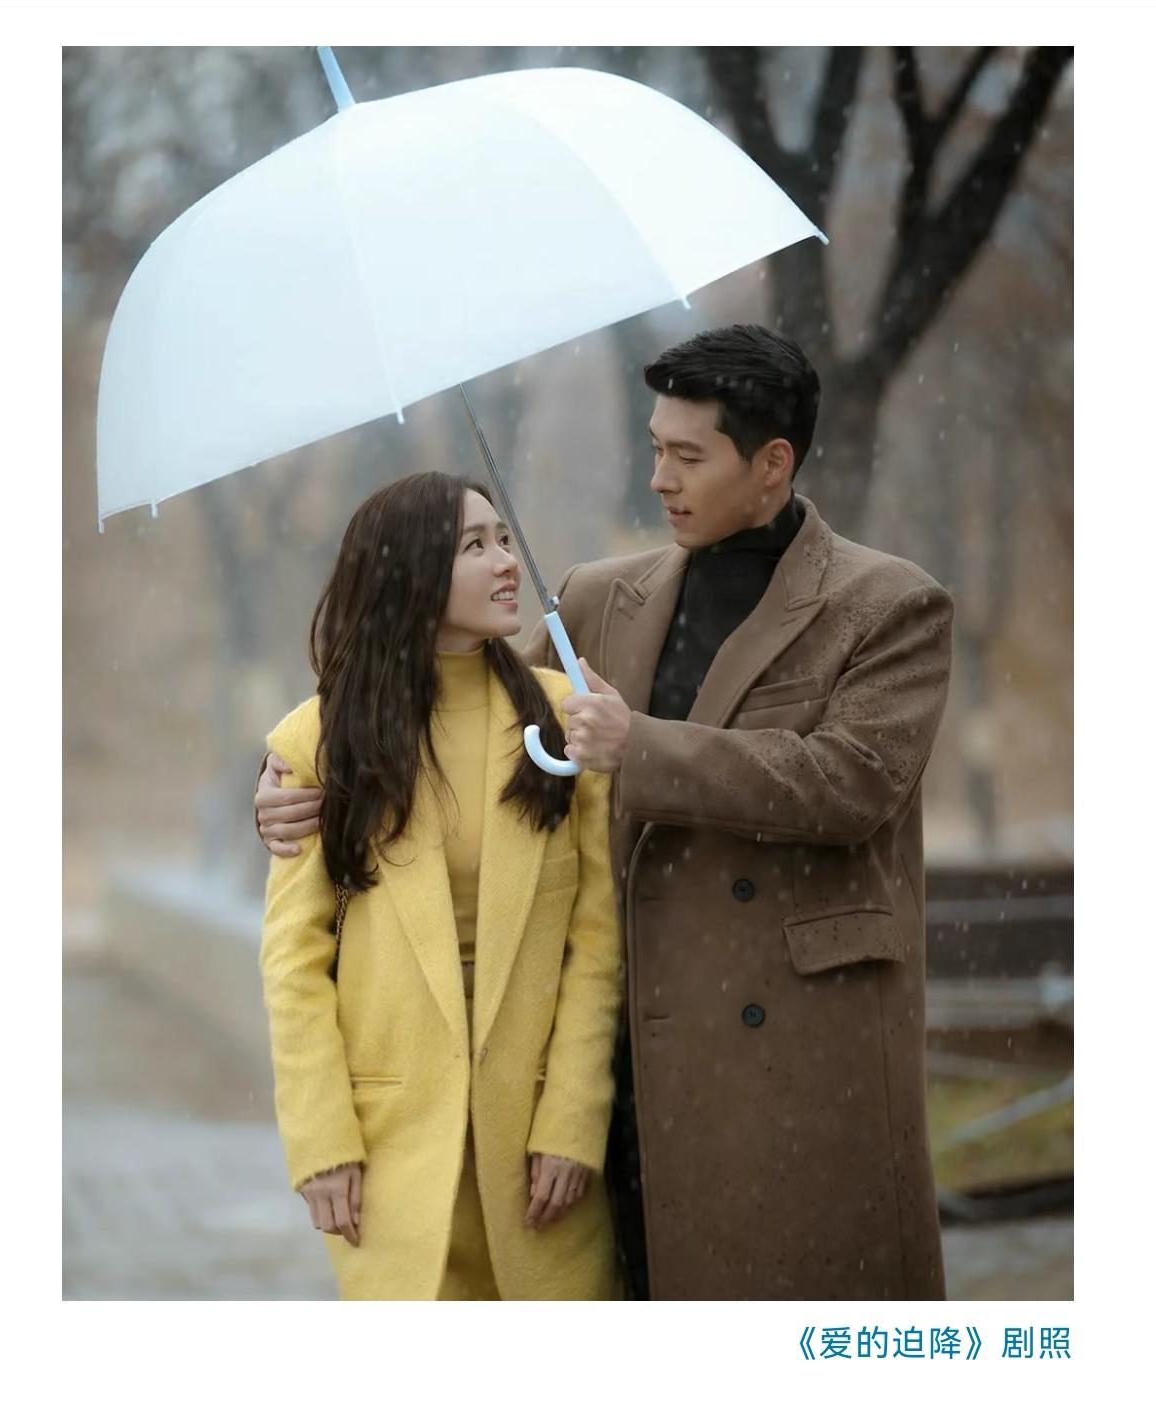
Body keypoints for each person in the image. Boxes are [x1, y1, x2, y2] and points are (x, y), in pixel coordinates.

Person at [257, 324, 954, 1300]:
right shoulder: (594, 598)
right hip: (624, 1050)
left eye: (688, 456)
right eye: (655, 447)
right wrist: (290, 785)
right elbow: (445, 723)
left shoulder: (887, 605)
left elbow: (853, 782)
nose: (659, 477)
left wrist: (643, 746)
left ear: (771, 463)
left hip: (788, 1051)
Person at [258, 471, 622, 1300]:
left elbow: (597, 944)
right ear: (412, 571)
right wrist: (321, 1140)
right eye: (474, 546)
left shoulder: (566, 722)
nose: (506, 562)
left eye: (504, 539)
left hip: (538, 1152)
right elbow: (293, 963)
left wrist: (573, 1116)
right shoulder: (323, 740)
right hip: (389, 1151)